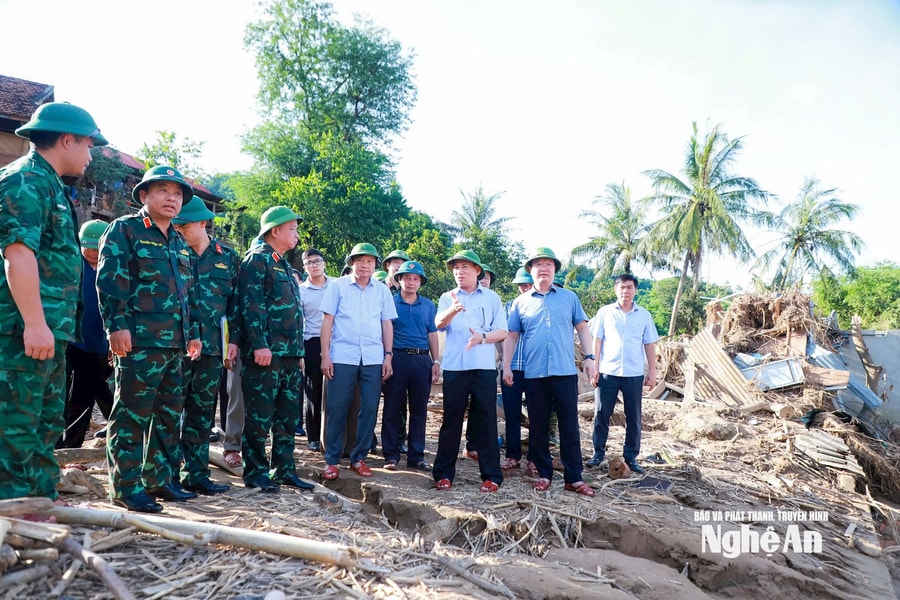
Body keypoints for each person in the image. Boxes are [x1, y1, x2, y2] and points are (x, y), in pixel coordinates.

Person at [0, 102, 107, 512]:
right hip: (25, 331)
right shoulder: (25, 181)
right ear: (67, 140)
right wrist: (34, 323)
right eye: (88, 145)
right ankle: (14, 513)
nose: (90, 154)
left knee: (46, 423)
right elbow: (18, 255)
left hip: (52, 330)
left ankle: (38, 506)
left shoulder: (50, 185)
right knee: (16, 427)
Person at [98, 165, 202, 513]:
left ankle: (159, 480)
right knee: (130, 416)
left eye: (177, 193)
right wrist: (116, 326)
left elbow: (186, 294)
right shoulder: (125, 230)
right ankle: (125, 488)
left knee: (169, 416)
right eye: (162, 191)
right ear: (144, 196)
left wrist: (193, 335)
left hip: (174, 344)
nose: (171, 198)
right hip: (139, 342)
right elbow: (111, 282)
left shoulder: (178, 240)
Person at [503, 248, 596, 496]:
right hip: (534, 375)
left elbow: (583, 329)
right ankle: (544, 474)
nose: (543, 268)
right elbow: (511, 337)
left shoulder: (569, 298)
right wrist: (507, 365)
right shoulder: (520, 303)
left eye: (548, 264)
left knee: (569, 426)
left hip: (564, 372)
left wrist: (589, 358)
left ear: (555, 270)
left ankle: (573, 477)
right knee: (538, 426)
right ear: (530, 271)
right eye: (538, 265)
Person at [236, 206, 314, 493]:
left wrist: (299, 352)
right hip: (266, 354)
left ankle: (284, 469)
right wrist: (259, 344)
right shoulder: (257, 260)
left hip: (290, 354)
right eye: (292, 228)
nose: (296, 234)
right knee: (259, 417)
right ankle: (256, 473)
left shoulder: (282, 263)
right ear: (275, 231)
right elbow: (251, 305)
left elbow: (293, 313)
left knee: (287, 416)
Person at [171, 197, 239, 495]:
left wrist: (233, 341)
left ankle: (196, 474)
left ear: (202, 223)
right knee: (170, 412)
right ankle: (167, 475)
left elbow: (236, 304)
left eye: (184, 226)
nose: (179, 231)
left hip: (213, 348)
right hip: (177, 345)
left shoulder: (227, 257)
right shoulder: (172, 251)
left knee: (201, 414)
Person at [319, 243, 397, 480]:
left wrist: (388, 355)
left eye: (370, 262)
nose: (365, 266)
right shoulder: (338, 286)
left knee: (369, 408)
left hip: (373, 357)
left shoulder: (382, 291)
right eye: (360, 261)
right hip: (342, 356)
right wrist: (325, 355)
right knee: (337, 407)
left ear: (375, 265)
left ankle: (359, 457)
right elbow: (327, 321)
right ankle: (332, 460)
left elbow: (387, 324)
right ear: (351, 263)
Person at [433, 250, 507, 492]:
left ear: (477, 270)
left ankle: (492, 476)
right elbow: (438, 324)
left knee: (486, 421)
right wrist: (454, 309)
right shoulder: (447, 297)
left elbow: (502, 332)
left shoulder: (492, 298)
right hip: (455, 367)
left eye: (465, 267)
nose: (459, 271)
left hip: (483, 368)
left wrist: (482, 338)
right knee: (451, 421)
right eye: (456, 268)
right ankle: (443, 474)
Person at [587, 273, 659, 474]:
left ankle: (631, 458)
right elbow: (597, 341)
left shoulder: (644, 315)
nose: (625, 291)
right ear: (615, 289)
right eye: (621, 287)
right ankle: (598, 453)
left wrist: (652, 371)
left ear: (635, 290)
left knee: (634, 416)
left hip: (633, 373)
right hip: (608, 371)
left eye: (629, 287)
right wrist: (595, 367)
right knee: (601, 413)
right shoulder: (605, 312)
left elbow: (649, 344)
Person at [57, 219, 114, 449]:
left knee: (90, 396)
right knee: (68, 397)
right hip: (72, 342)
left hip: (102, 344)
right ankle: (63, 449)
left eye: (96, 247)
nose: (91, 252)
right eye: (87, 246)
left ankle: (71, 449)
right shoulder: (71, 264)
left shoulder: (112, 267)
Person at [382, 261, 440, 471]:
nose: (411, 282)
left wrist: (435, 361)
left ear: (420, 282)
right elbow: (385, 330)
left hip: (422, 360)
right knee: (392, 408)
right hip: (397, 358)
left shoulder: (428, 305)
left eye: (416, 279)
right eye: (407, 278)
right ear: (399, 279)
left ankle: (416, 456)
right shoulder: (390, 302)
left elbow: (432, 334)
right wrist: (386, 357)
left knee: (419, 410)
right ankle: (391, 455)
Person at [498, 266, 533, 471]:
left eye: (527, 284)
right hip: (512, 367)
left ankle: (535, 458)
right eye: (521, 285)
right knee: (511, 413)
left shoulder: (542, 307)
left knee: (537, 414)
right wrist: (505, 362)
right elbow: (503, 335)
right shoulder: (510, 306)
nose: (524, 288)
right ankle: (513, 456)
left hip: (536, 370)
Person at [298, 248, 332, 453]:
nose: (314, 265)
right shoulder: (301, 290)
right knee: (313, 391)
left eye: (317, 261)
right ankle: (313, 437)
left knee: (335, 391)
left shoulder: (337, 285)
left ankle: (331, 436)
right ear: (304, 267)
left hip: (337, 343)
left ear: (324, 263)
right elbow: (299, 321)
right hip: (311, 343)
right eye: (309, 262)